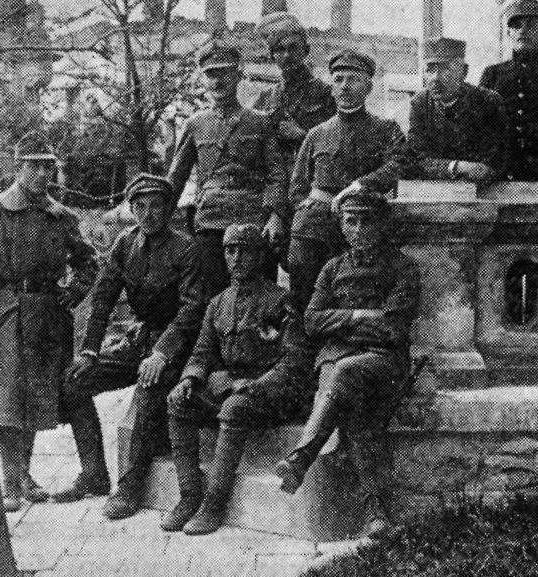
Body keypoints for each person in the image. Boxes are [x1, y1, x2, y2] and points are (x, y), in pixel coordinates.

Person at [54, 174, 205, 520]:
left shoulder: (185, 248)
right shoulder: (125, 243)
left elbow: (192, 309)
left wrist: (162, 353)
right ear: (132, 209)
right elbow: (103, 298)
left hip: (176, 346)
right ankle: (94, 473)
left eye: (156, 206)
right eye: (140, 206)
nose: (148, 214)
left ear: (168, 209)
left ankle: (129, 488)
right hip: (140, 339)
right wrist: (90, 351)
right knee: (74, 381)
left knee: (148, 393)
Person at [275, 186, 420, 537]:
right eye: (350, 221)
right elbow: (311, 321)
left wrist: (339, 325)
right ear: (341, 226)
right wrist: (358, 315)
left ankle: (301, 458)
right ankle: (375, 511)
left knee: (344, 372)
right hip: (337, 360)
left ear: (381, 224)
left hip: (383, 361)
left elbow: (393, 327)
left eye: (366, 221)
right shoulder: (331, 269)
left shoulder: (402, 267)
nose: (358, 229)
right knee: (356, 407)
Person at [0, 131, 98, 512]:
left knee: (37, 398)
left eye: (48, 167)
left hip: (49, 317)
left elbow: (88, 260)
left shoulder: (61, 216)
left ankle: (25, 475)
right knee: (9, 399)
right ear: (18, 167)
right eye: (34, 166)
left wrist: (76, 290)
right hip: (7, 313)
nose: (42, 174)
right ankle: (10, 482)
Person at [165, 223, 310, 536]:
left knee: (233, 408)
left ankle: (214, 505)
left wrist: (258, 384)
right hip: (234, 388)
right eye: (230, 251)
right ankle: (189, 496)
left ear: (259, 256)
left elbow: (294, 360)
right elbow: (202, 353)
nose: (236, 258)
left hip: (273, 395)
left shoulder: (279, 301)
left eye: (245, 251)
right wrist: (189, 379)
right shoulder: (217, 304)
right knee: (178, 401)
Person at [167, 40, 287, 298]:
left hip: (254, 218)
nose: (217, 81)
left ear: (238, 75)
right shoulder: (195, 125)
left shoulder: (259, 122)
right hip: (211, 220)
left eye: (225, 72)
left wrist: (276, 216)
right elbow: (175, 179)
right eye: (211, 74)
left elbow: (276, 174)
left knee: (260, 296)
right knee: (212, 296)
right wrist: (160, 220)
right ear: (203, 79)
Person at [288, 48, 405, 310]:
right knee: (303, 284)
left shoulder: (385, 129)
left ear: (369, 87)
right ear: (331, 88)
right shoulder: (317, 134)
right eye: (338, 80)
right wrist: (308, 206)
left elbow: (399, 164)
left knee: (355, 291)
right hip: (317, 225)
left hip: (362, 222)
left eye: (353, 79)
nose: (344, 86)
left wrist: (361, 185)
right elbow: (297, 187)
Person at [254, 12, 336, 269]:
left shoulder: (326, 95)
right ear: (272, 56)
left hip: (311, 196)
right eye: (279, 50)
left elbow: (338, 145)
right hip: (274, 197)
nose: (287, 55)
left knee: (306, 270)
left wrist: (301, 135)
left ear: (306, 51)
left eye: (293, 48)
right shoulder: (265, 99)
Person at [479, 0, 538, 180]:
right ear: (508, 33)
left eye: (530, 25)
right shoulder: (492, 74)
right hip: (501, 174)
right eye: (516, 26)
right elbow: (481, 126)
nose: (523, 30)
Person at [406, 37, 508, 183]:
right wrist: (456, 167)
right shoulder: (420, 104)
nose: (435, 78)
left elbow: (495, 161)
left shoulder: (488, 102)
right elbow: (415, 160)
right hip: (435, 189)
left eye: (445, 69)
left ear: (464, 72)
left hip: (483, 190)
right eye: (429, 70)